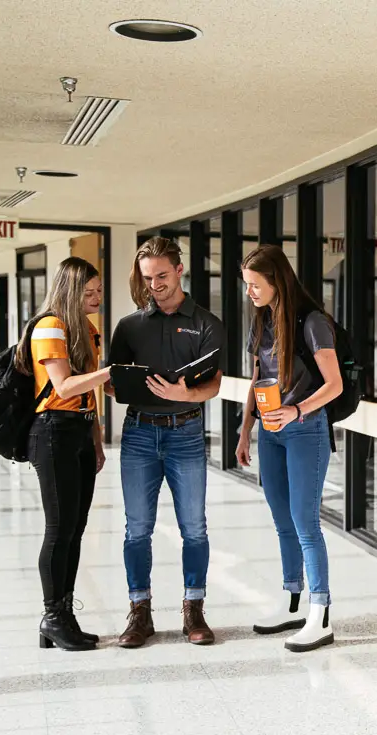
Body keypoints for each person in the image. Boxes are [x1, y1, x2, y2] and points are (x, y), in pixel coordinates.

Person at [106, 236, 225, 647]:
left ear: (179, 270)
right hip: (139, 433)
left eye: (161, 275)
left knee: (194, 527)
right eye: (146, 278)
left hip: (187, 433)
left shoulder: (207, 324)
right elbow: (112, 383)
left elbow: (213, 382)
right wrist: (125, 387)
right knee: (137, 528)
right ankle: (140, 613)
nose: (154, 285)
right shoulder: (129, 326)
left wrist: (185, 394)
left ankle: (194, 608)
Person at [237, 245, 342, 652]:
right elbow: (256, 378)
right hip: (270, 430)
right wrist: (246, 428)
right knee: (282, 521)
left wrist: (297, 409)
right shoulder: (262, 320)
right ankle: (292, 599)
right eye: (246, 286)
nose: (250, 292)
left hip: (305, 430)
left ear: (276, 281)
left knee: (305, 523)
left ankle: (321, 612)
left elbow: (334, 385)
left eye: (255, 285)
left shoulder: (313, 323)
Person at [16, 257, 111, 651]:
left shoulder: (85, 329)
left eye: (99, 291)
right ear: (70, 292)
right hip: (52, 431)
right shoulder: (50, 326)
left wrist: (96, 438)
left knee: (75, 528)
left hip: (78, 431)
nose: (96, 298)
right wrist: (111, 371)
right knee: (58, 529)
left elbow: (86, 395)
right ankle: (53, 616)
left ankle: (63, 616)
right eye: (88, 292)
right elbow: (65, 385)